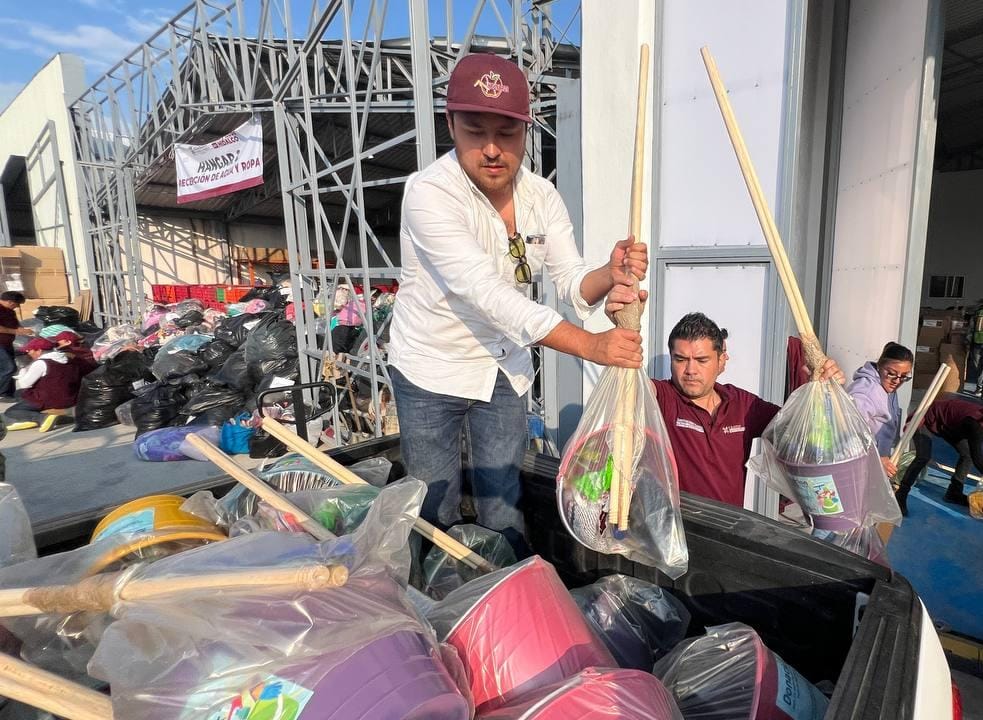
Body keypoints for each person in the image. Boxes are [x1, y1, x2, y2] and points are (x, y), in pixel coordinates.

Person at [389, 53, 648, 554]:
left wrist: (608, 274)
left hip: (502, 370)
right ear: (451, 125)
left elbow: (572, 282)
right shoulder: (429, 194)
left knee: (503, 501)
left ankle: (500, 599)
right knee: (432, 506)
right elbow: (487, 294)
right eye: (475, 130)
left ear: (526, 131)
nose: (491, 149)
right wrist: (590, 346)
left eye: (507, 134)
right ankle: (436, 605)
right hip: (430, 369)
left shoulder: (542, 196)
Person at [604, 292, 844, 506]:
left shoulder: (742, 405)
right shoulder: (663, 398)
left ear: (721, 361)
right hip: (673, 529)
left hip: (728, 533)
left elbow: (795, 427)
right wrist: (624, 331)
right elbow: (629, 387)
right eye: (680, 359)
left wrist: (820, 388)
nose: (690, 370)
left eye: (701, 360)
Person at [893, 396, 983, 513]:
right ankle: (901, 494)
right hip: (924, 417)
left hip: (949, 425)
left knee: (967, 455)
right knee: (923, 456)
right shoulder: (974, 423)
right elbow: (978, 458)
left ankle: (954, 492)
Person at [846, 342, 913, 485]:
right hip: (858, 466)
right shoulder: (864, 393)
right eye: (892, 373)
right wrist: (876, 458)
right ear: (880, 365)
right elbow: (850, 433)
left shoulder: (887, 386)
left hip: (874, 465)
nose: (897, 381)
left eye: (904, 376)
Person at [4, 338, 86, 432]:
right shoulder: (68, 358)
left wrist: (23, 369)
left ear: (39, 350)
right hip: (70, 397)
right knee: (22, 397)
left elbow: (24, 384)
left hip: (49, 399)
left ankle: (42, 418)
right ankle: (54, 416)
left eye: (30, 350)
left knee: (12, 411)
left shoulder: (41, 363)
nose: (28, 353)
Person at [0, 291, 32, 400]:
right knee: (9, 367)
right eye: (17, 304)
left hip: (6, 343)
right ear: (10, 302)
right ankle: (2, 393)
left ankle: (8, 393)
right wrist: (16, 332)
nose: (17, 307)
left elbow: (15, 324)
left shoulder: (10, 311)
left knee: (8, 368)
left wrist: (23, 330)